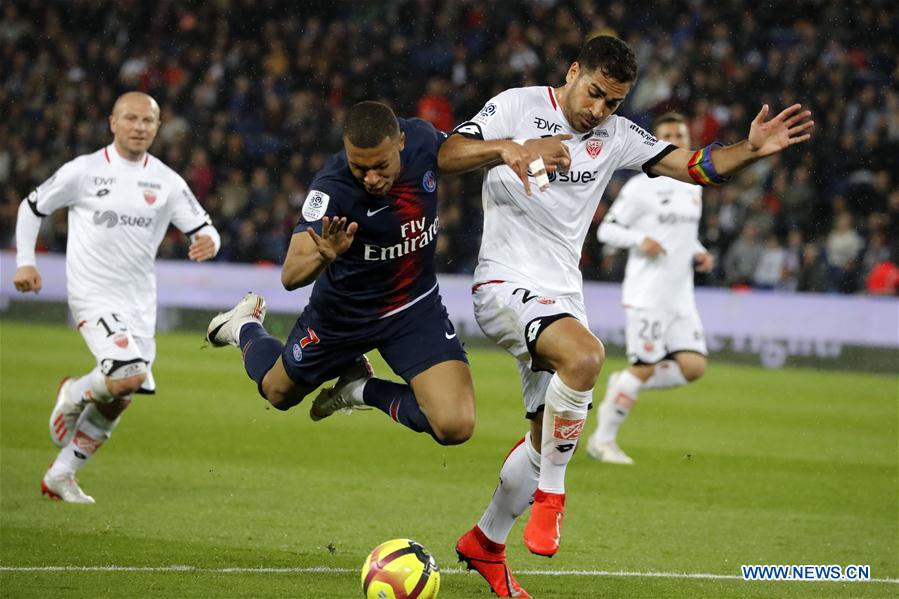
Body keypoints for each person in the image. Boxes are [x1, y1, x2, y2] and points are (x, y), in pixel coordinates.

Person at [437, 35, 813, 598]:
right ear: (572, 73)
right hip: (503, 282)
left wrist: (750, 150)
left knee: (544, 440)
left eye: (613, 102)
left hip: (563, 296)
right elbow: (446, 155)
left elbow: (694, 166)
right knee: (587, 357)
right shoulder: (516, 105)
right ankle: (553, 498)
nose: (599, 111)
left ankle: (486, 543)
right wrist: (512, 148)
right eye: (593, 94)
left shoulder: (615, 136)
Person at [206, 101, 475, 447]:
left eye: (380, 166)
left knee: (456, 426)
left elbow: (464, 150)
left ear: (401, 142)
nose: (371, 178)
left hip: (414, 309)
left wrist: (513, 151)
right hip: (343, 317)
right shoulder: (332, 188)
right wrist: (324, 255)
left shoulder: (424, 139)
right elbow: (290, 276)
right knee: (278, 393)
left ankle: (359, 388)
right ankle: (242, 325)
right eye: (360, 168)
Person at [13, 92, 221, 504]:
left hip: (139, 302)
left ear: (157, 128)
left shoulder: (166, 181)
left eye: (147, 120)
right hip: (92, 293)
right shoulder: (84, 171)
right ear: (112, 122)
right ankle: (72, 393)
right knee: (128, 374)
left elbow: (205, 227)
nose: (139, 127)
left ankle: (61, 474)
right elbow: (32, 207)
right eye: (130, 118)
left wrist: (208, 241)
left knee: (121, 393)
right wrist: (25, 261)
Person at [586, 112, 712, 466]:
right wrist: (641, 239)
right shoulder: (641, 187)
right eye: (668, 135)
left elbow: (681, 233)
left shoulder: (692, 186)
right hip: (648, 294)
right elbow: (606, 231)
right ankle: (602, 440)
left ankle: (625, 382)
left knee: (693, 366)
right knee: (644, 366)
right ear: (657, 143)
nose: (676, 140)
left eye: (681, 134)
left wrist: (699, 250)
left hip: (681, 295)